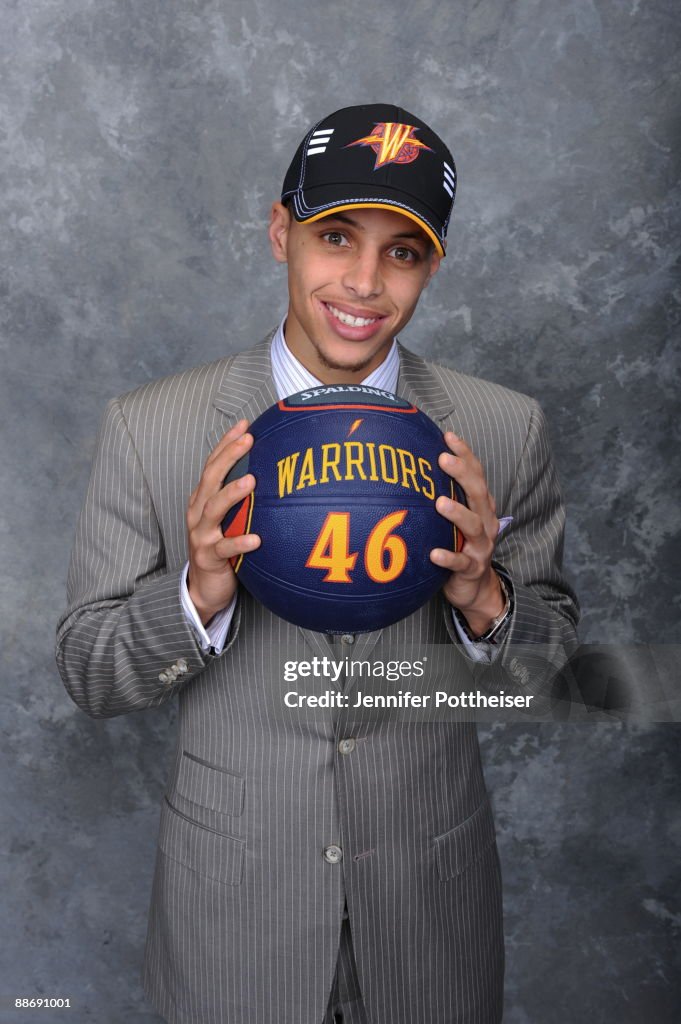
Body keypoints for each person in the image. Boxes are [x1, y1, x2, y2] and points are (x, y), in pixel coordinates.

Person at [56, 104, 579, 1024]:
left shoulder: (498, 427)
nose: (364, 281)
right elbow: (90, 672)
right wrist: (197, 592)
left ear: (433, 266)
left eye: (402, 252)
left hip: (429, 913)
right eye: (335, 236)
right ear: (278, 231)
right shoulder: (154, 428)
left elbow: (549, 664)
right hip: (234, 917)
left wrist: (484, 597)